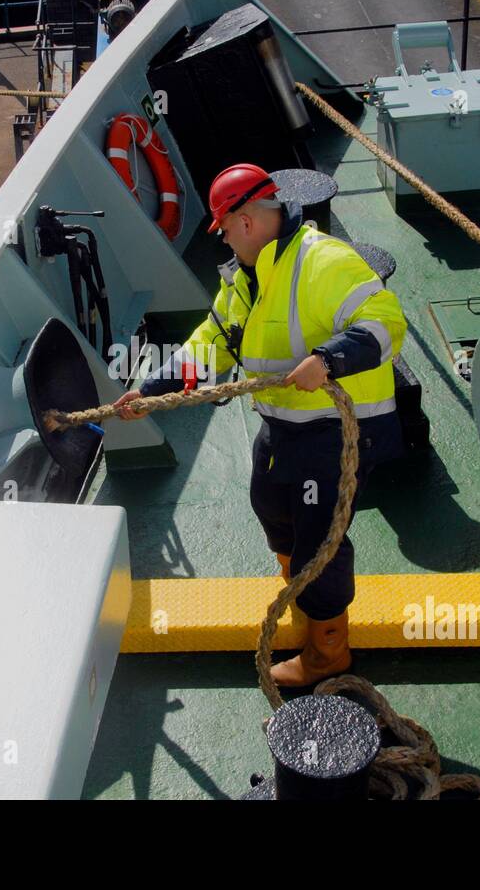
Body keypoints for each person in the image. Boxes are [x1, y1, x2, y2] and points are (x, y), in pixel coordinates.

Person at [114, 163, 407, 687]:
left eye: (224, 230)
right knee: (269, 500)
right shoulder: (244, 280)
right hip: (286, 423)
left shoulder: (323, 261)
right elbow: (213, 342)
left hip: (339, 429)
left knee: (320, 539)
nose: (223, 241)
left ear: (245, 221)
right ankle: (298, 595)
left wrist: (330, 359)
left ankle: (327, 651)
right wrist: (153, 392)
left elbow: (387, 322)